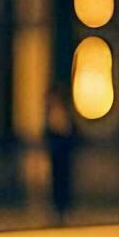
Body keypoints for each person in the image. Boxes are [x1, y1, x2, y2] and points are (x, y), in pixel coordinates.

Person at [43, 87, 76, 225]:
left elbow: (71, 134)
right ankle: (57, 212)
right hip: (56, 156)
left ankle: (64, 211)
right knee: (56, 183)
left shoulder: (65, 114)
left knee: (65, 182)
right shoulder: (50, 115)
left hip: (64, 156)